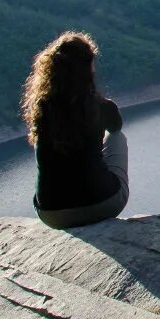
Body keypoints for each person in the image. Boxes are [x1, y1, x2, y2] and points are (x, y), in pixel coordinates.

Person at [23, 31, 129, 229]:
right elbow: (116, 127)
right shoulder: (101, 106)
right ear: (88, 67)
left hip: (51, 214)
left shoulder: (41, 108)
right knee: (117, 138)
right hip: (102, 205)